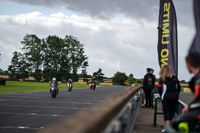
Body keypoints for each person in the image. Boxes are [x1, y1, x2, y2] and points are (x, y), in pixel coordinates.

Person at [171, 54, 200, 132]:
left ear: (188, 64)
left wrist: (189, 107)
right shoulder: (196, 78)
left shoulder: (198, 79)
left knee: (177, 122)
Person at [158, 64, 181, 132]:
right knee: (172, 113)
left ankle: (168, 129)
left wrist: (161, 96)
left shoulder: (162, 78)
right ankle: (172, 128)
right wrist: (176, 95)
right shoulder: (175, 78)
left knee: (166, 113)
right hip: (174, 97)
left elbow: (159, 88)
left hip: (166, 97)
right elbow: (179, 88)